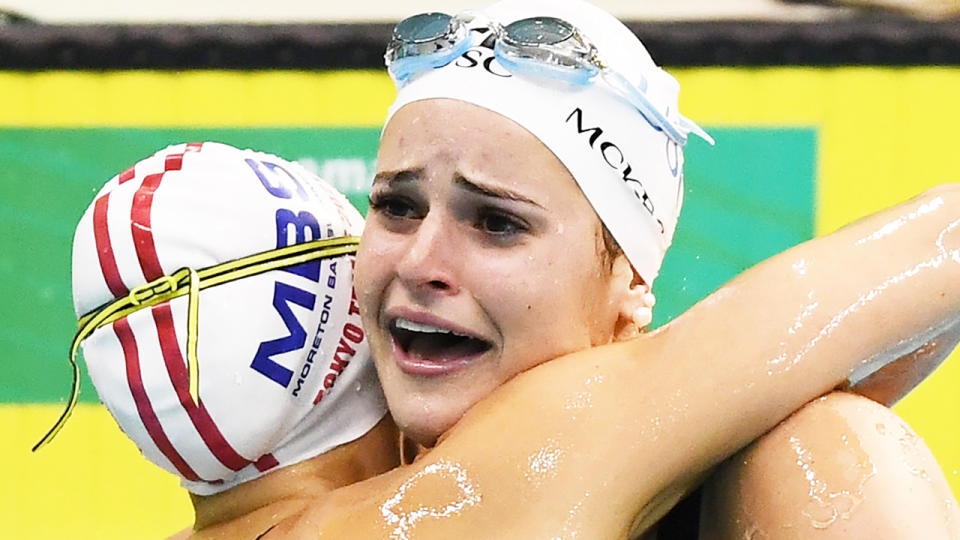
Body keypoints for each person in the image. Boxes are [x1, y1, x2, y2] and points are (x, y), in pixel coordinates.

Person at [45, 1, 960, 538]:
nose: (421, 261)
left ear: (629, 281)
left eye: (495, 223)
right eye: (397, 206)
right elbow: (906, 271)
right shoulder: (475, 500)